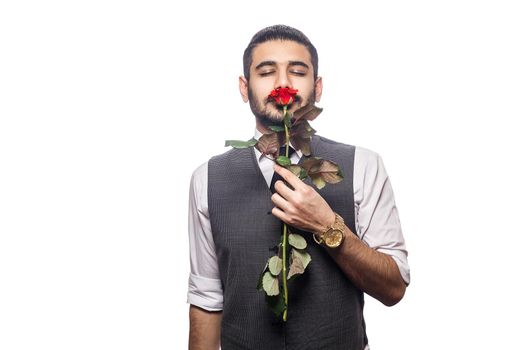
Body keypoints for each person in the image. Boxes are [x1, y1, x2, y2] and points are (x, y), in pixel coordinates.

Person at [187, 24, 410, 350]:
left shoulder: (364, 166)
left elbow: (393, 288)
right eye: (266, 72)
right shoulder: (206, 178)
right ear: (244, 87)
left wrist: (328, 226)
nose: (283, 83)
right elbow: (207, 299)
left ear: (317, 88)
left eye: (297, 71)